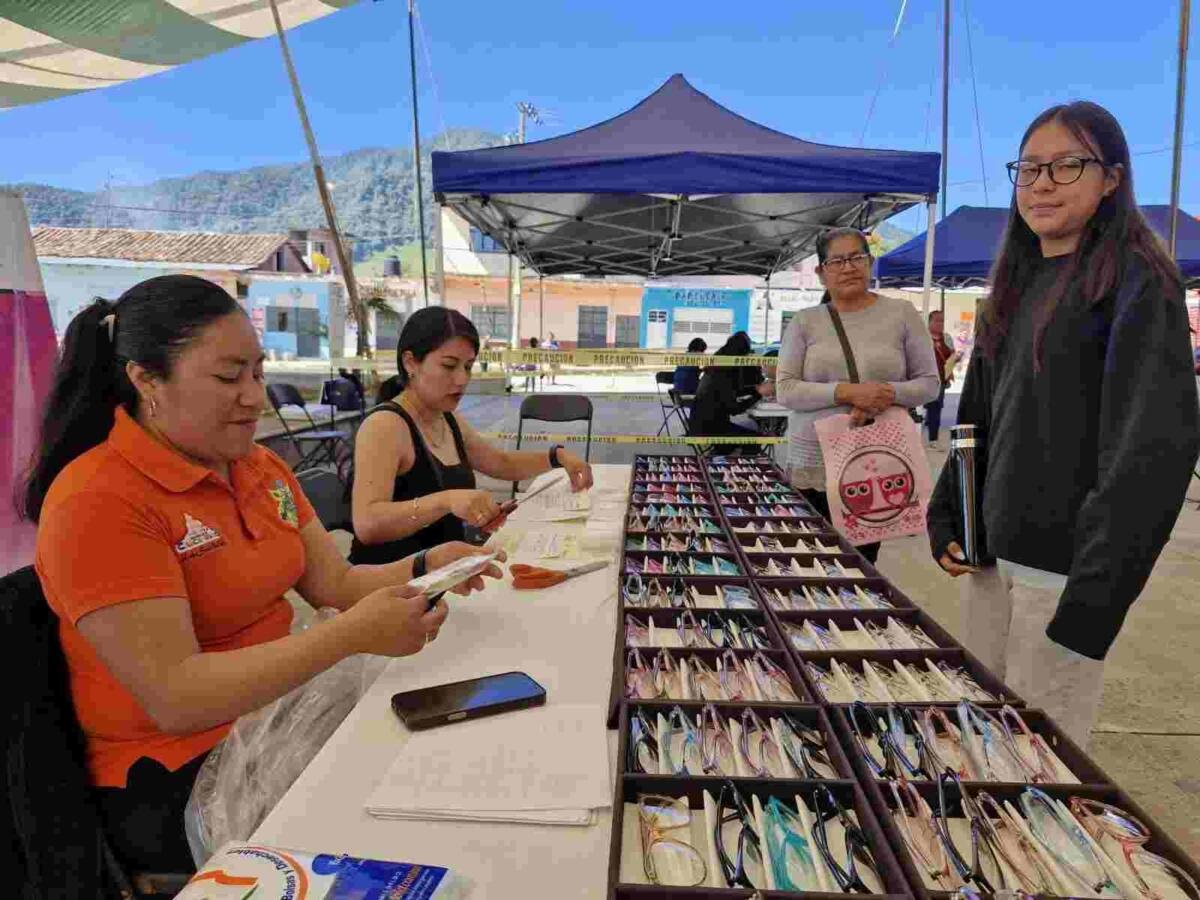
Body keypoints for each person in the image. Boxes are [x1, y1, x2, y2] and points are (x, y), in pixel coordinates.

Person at [22, 276, 503, 874]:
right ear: (147, 380)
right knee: (408, 819)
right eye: (229, 377)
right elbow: (177, 696)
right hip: (184, 769)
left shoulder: (257, 465)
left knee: (460, 758)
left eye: (257, 372)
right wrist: (349, 636)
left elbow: (336, 587)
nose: (254, 397)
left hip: (280, 712)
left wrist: (430, 566)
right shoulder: (99, 500)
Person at [926, 101, 1200, 747]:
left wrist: (1094, 598)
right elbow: (977, 423)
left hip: (1062, 576)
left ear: (1111, 178)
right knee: (981, 740)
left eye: (1067, 165)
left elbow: (1150, 448)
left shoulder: (1137, 280)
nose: (1042, 182)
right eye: (1030, 168)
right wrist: (952, 516)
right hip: (993, 561)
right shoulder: (1015, 285)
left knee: (1040, 764)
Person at [350, 307, 593, 565]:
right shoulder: (385, 426)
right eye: (449, 366)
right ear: (410, 362)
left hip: (445, 574)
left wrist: (557, 457)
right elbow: (368, 524)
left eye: (468, 366)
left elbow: (501, 463)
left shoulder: (447, 419)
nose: (462, 379)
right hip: (391, 587)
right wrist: (447, 501)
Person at [775, 227, 939, 564]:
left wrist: (886, 393)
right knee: (805, 564)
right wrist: (848, 392)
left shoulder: (902, 314)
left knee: (859, 568)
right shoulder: (806, 322)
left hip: (872, 465)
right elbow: (786, 390)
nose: (848, 267)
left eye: (856, 258)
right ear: (821, 272)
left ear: (870, 262)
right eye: (837, 261)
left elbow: (929, 384)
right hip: (813, 464)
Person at [686, 332, 772, 452]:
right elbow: (734, 409)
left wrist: (755, 389)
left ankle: (724, 458)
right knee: (755, 439)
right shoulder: (725, 374)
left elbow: (731, 391)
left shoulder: (717, 367)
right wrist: (758, 394)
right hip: (711, 430)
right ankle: (743, 468)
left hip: (699, 426)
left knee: (745, 432)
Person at [923, 310, 960, 444]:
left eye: (942, 321)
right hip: (923, 378)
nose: (940, 324)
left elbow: (952, 355)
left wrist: (956, 358)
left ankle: (933, 438)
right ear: (929, 322)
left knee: (936, 407)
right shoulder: (923, 337)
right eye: (937, 320)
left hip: (940, 380)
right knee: (925, 407)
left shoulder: (947, 338)